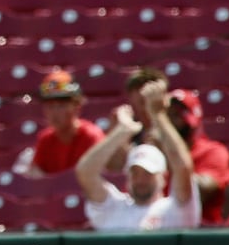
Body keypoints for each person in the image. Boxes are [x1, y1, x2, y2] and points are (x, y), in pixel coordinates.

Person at [74, 84, 199, 232]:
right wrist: (121, 132)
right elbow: (85, 172)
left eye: (148, 174)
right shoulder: (114, 208)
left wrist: (158, 115)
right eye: (135, 173)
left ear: (163, 177)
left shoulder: (174, 209)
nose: (140, 180)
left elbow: (182, 167)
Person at [14, 68, 104, 176]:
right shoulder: (45, 139)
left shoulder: (91, 136)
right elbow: (37, 177)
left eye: (61, 105)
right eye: (50, 106)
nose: (54, 112)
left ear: (77, 107)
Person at [165, 89, 229, 224]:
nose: (169, 123)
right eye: (166, 116)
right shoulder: (154, 153)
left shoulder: (213, 151)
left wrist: (170, 154)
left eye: (175, 115)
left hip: (201, 234)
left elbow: (198, 192)